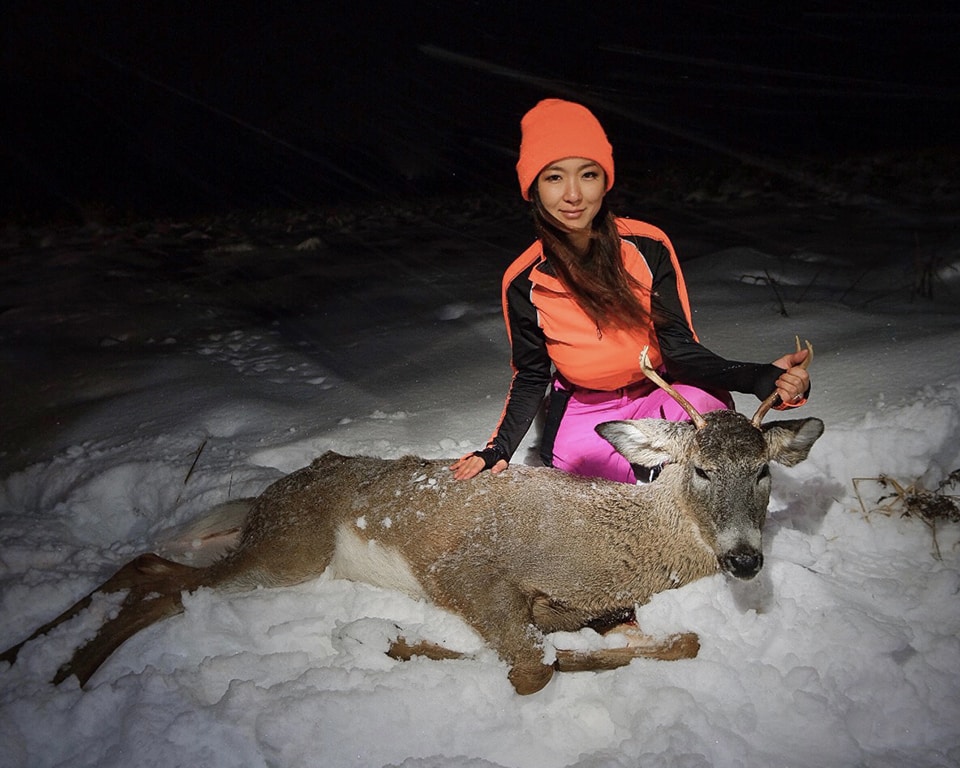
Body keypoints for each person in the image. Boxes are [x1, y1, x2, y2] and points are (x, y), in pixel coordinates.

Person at [450, 98, 810, 484]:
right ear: (533, 188)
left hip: (661, 392)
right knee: (583, 477)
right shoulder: (523, 281)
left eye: (587, 175)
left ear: (605, 181)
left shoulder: (647, 245)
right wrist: (497, 449)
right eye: (554, 177)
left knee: (711, 425)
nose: (573, 194)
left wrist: (760, 378)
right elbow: (531, 375)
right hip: (587, 406)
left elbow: (679, 349)